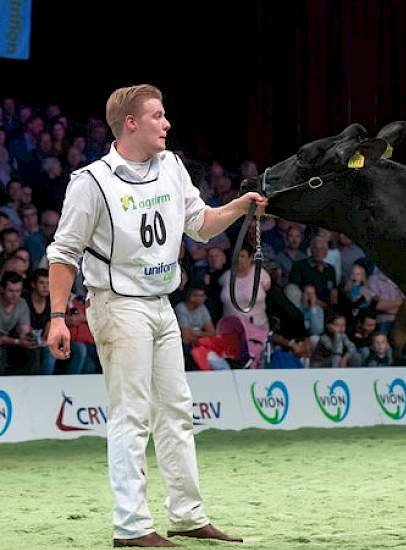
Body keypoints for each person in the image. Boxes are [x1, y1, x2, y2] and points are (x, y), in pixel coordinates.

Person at [45, 84, 263, 547]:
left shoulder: (171, 166)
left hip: (162, 306)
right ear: (130, 124)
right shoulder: (92, 181)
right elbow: (63, 253)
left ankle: (186, 515)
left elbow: (200, 225)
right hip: (117, 306)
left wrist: (241, 208)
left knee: (177, 412)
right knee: (131, 415)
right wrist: (58, 316)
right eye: (158, 116)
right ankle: (131, 526)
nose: (167, 124)